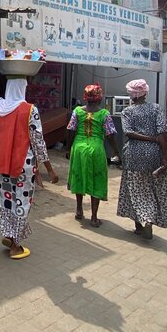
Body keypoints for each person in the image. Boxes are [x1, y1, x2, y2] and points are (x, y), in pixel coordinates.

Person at [0, 66, 59, 259]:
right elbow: (38, 142)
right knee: (22, 203)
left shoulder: (0, 106)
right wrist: (49, 170)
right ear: (22, 88)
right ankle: (16, 245)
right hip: (23, 166)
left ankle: (9, 235)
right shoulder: (29, 110)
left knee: (6, 200)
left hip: (4, 165)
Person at [116, 78, 167, 240]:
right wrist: (165, 159)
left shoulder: (128, 112)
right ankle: (148, 220)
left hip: (133, 154)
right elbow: (162, 134)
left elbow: (128, 133)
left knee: (135, 189)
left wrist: (149, 139)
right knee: (151, 189)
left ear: (133, 95)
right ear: (145, 93)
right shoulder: (156, 109)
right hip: (154, 154)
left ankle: (141, 224)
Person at [66, 85, 120, 228]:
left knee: (79, 176)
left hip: (78, 147)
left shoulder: (77, 111)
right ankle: (94, 218)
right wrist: (116, 151)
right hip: (96, 148)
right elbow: (110, 134)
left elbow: (71, 130)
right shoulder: (104, 114)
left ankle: (79, 209)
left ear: (85, 97)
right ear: (100, 97)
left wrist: (68, 148)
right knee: (97, 179)